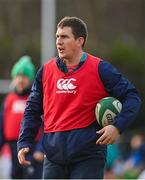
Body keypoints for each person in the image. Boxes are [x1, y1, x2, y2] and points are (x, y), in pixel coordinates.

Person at [17, 16, 141, 179]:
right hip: (53, 158)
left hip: (88, 158)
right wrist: (25, 141)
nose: (59, 42)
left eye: (64, 37)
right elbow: (32, 109)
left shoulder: (100, 69)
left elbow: (132, 97)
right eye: (57, 37)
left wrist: (117, 127)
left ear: (79, 41)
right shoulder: (45, 71)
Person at [0, 56, 44, 179]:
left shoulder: (35, 99)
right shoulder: (9, 100)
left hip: (31, 149)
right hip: (12, 149)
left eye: (24, 76)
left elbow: (45, 125)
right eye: (18, 76)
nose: (20, 80)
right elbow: (2, 125)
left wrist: (41, 148)